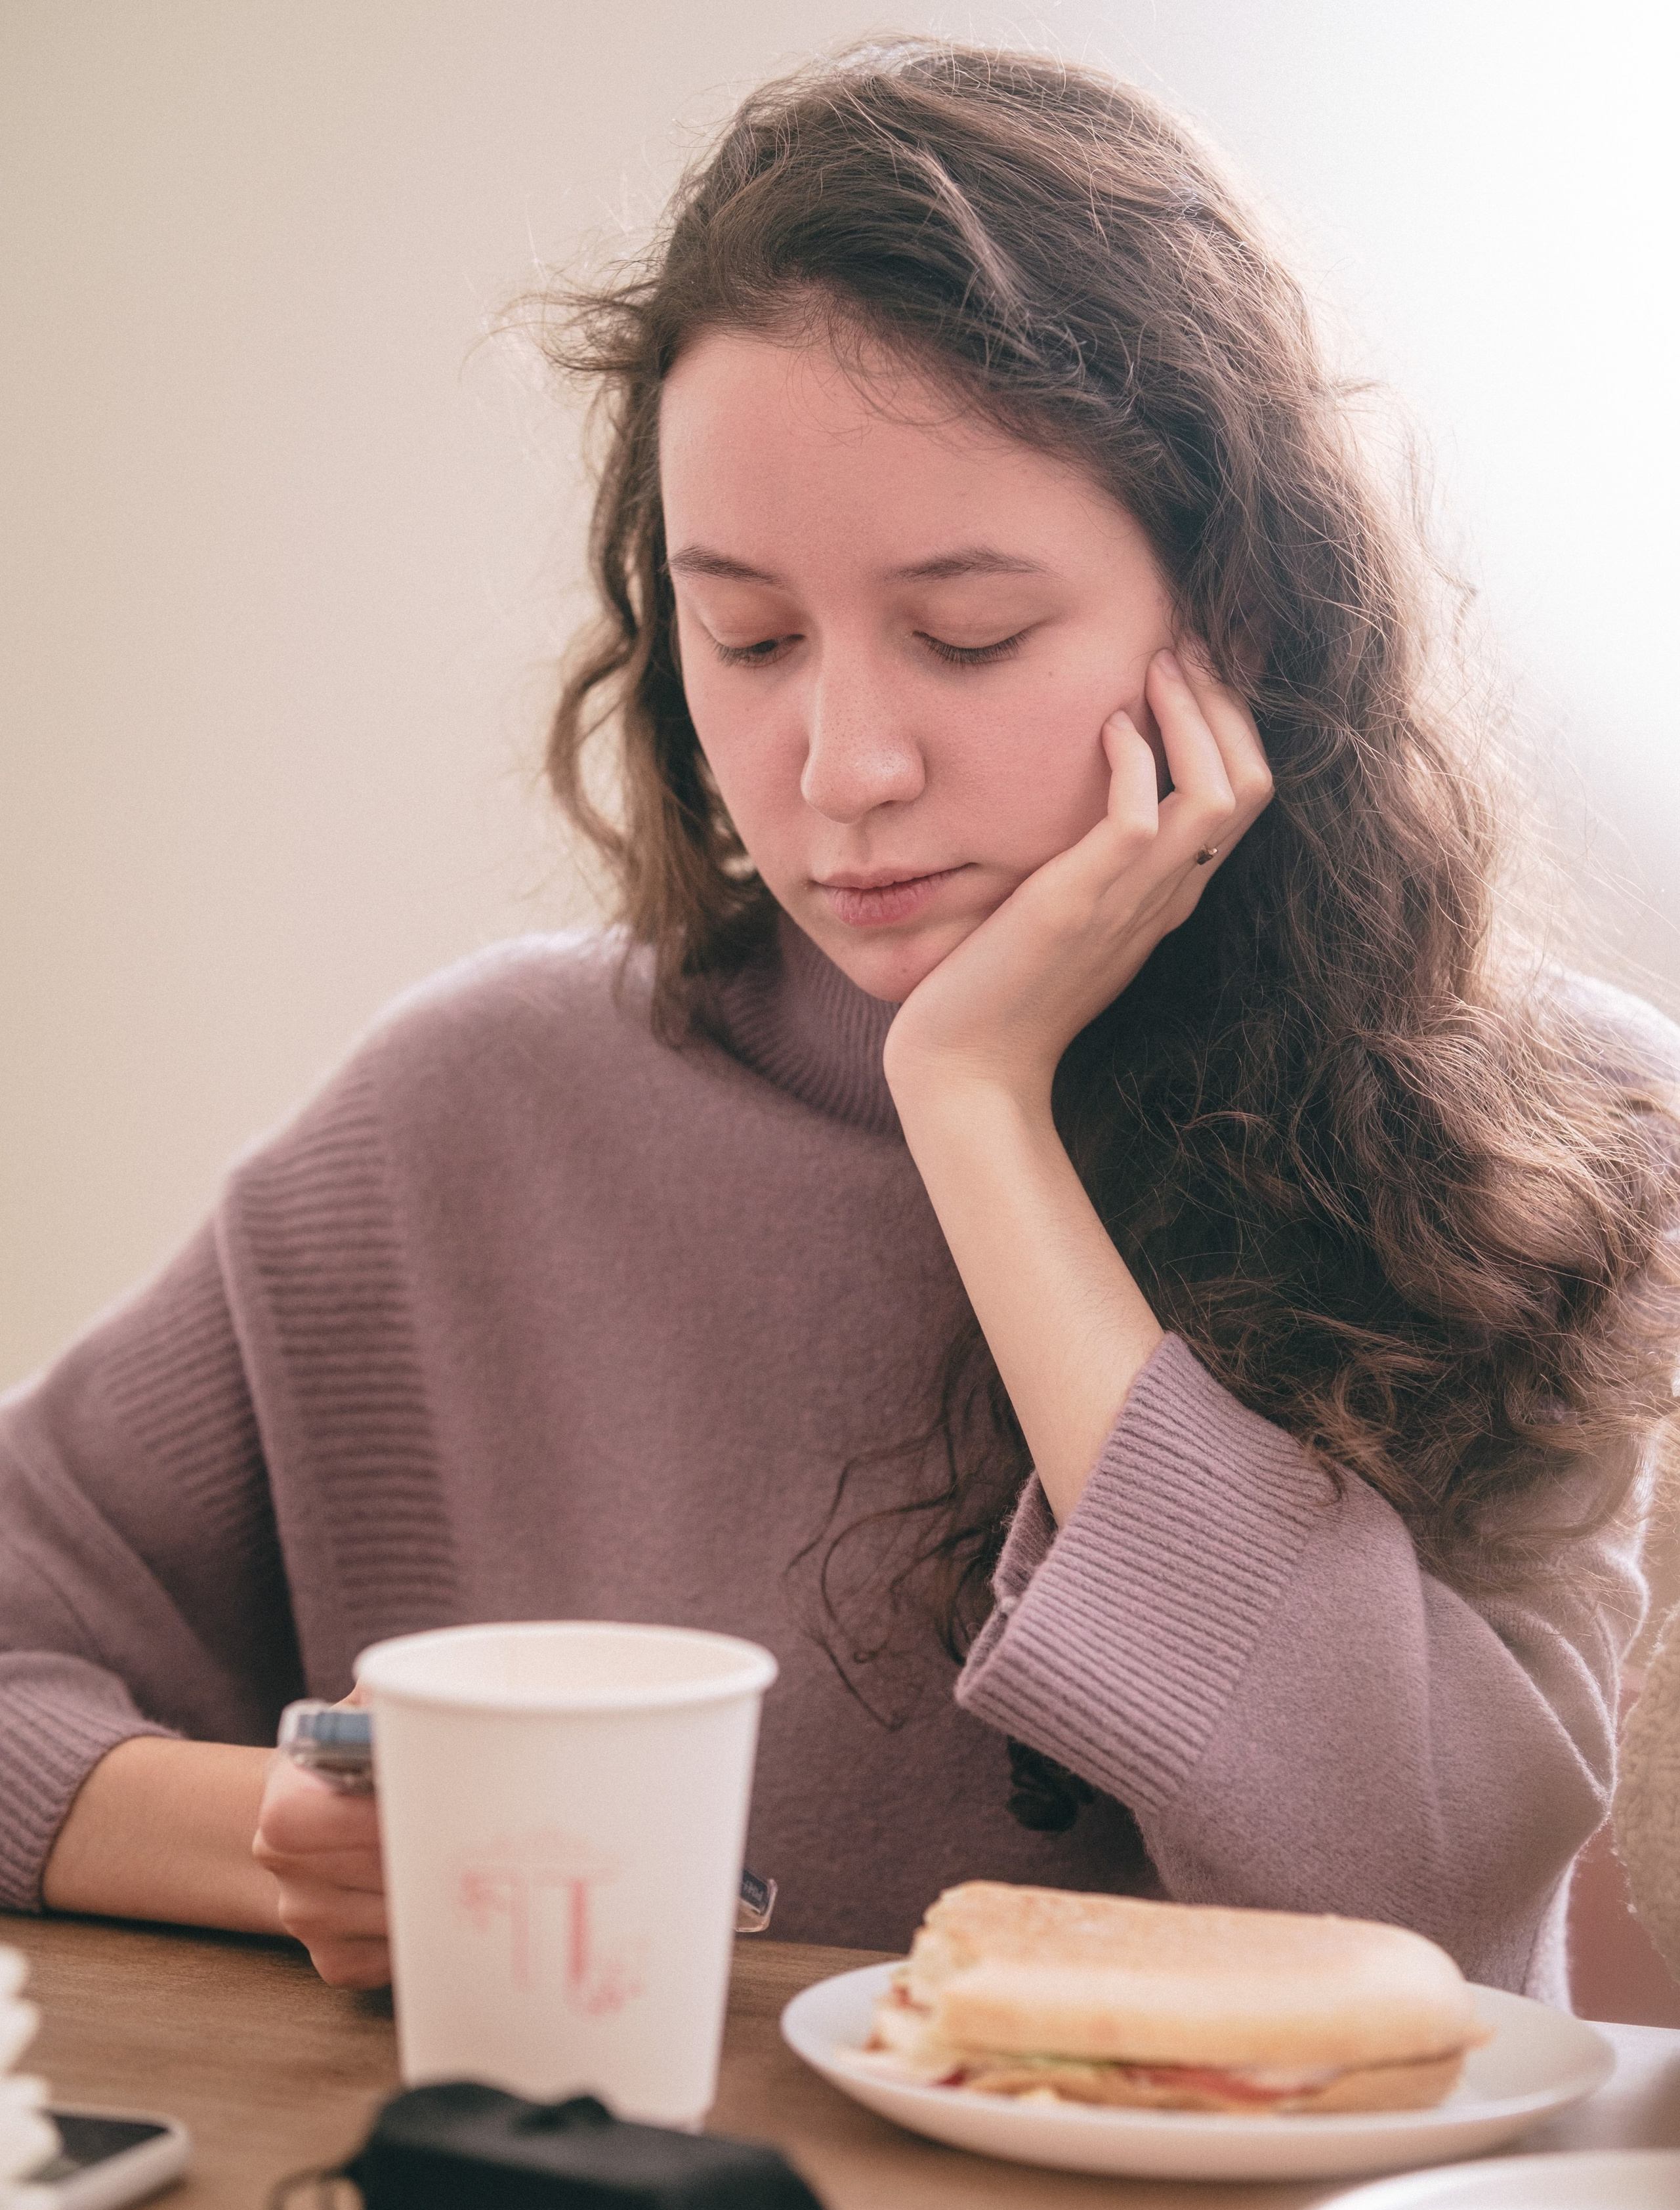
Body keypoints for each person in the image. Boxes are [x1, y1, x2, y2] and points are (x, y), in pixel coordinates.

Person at [5, 43, 1677, 2004]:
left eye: (969, 636)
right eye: (753, 638)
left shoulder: (1554, 1146)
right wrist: (281, 1846)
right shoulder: (470, 1116)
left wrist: (975, 1104)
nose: (844, 765)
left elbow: (1416, 1915)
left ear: (1237, 609)